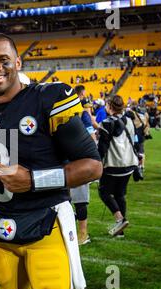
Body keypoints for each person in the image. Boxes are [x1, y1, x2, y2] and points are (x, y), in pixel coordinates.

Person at [0, 33, 102, 289]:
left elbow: (93, 166)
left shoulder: (47, 99)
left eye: (3, 59)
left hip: (44, 224)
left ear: (18, 62)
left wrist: (34, 180)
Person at [97, 95, 138, 238]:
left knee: (104, 192)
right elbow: (134, 141)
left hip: (113, 165)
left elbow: (102, 148)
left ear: (109, 106)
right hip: (129, 164)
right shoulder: (129, 120)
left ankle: (120, 219)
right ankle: (121, 231)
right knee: (120, 195)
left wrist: (97, 164)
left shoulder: (107, 122)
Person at [70, 85, 96, 246]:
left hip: (79, 161)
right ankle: (70, 231)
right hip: (64, 162)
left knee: (80, 201)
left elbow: (92, 139)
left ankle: (83, 233)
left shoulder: (82, 115)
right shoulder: (61, 114)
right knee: (63, 200)